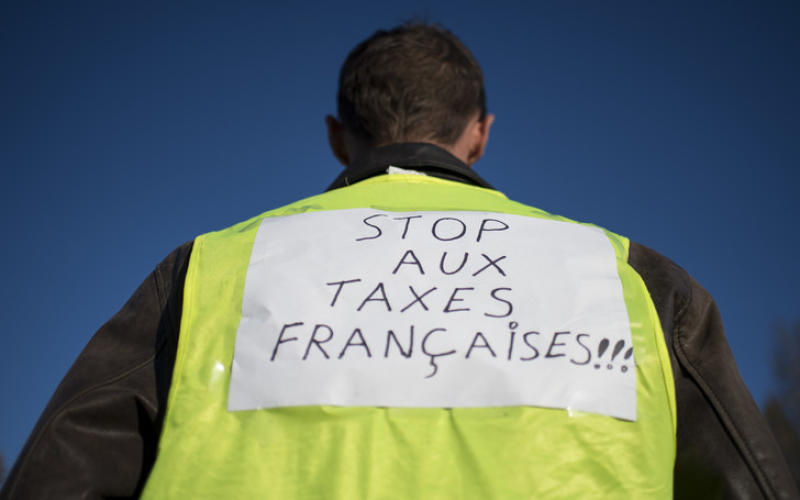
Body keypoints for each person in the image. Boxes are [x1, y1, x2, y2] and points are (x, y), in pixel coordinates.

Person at [1, 22, 797, 500]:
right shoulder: (637, 280)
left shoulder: (210, 269)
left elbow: (55, 482)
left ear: (338, 135)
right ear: (480, 132)